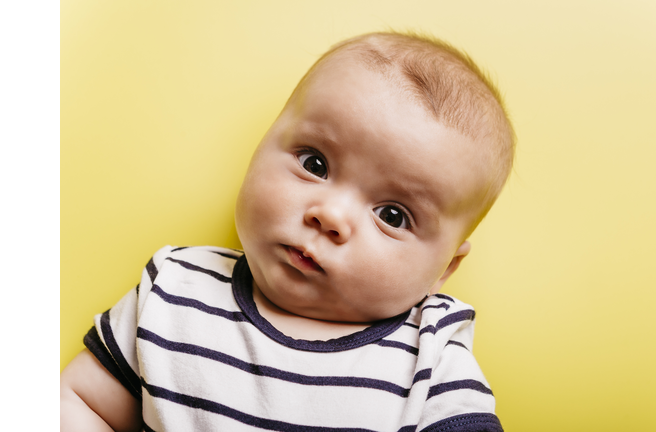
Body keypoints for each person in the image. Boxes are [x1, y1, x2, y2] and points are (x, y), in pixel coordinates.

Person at [60, 31, 515, 432]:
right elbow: (80, 403)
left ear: (444, 268)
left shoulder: (431, 363)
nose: (330, 215)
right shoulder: (173, 291)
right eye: (314, 164)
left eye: (392, 215)